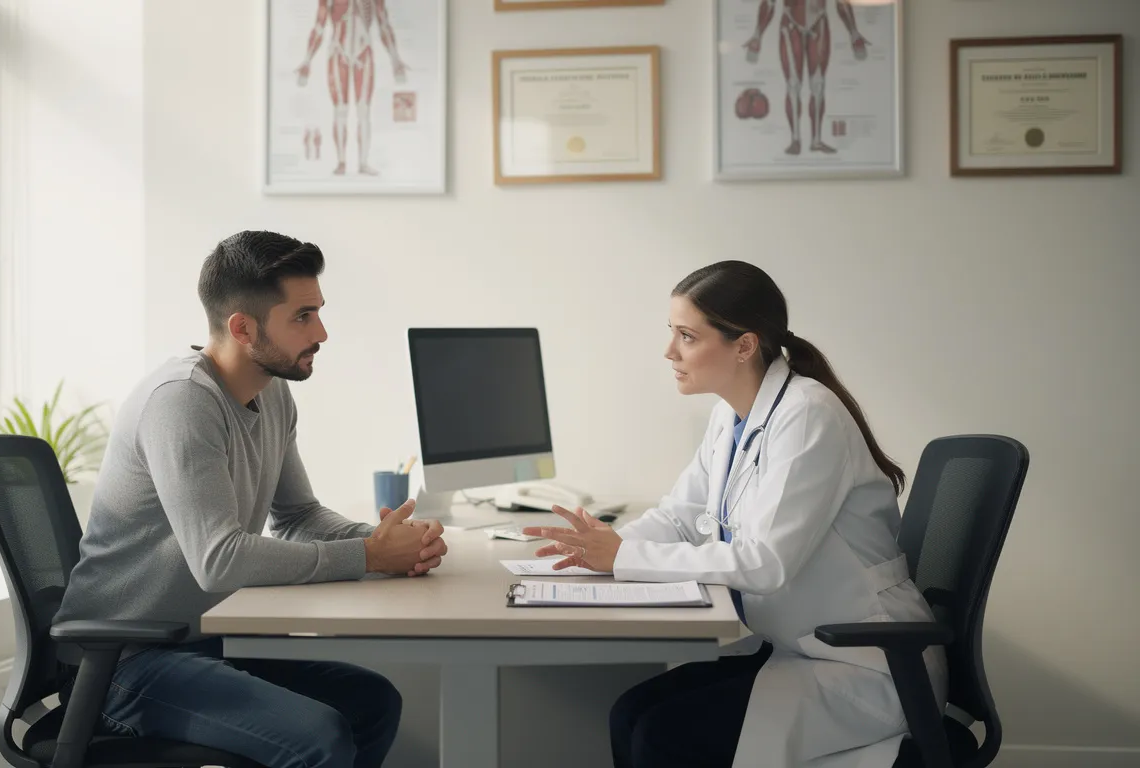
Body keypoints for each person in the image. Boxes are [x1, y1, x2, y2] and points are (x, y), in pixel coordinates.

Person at [523, 261, 947, 768]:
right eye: (672, 332)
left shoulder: (808, 414)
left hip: (867, 664)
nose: (669, 351)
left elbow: (765, 563)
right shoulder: (731, 415)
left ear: (744, 346)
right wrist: (599, 550)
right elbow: (680, 516)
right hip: (801, 648)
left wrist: (622, 558)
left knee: (661, 736)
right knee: (629, 715)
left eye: (687, 336)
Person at [53, 230, 448, 768]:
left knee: (371, 703)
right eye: (303, 317)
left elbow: (298, 516)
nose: (322, 333)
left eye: (318, 313)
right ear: (243, 328)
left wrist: (389, 543)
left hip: (201, 645)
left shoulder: (272, 390)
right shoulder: (181, 402)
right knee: (319, 737)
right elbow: (219, 560)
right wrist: (370, 555)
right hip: (122, 664)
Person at [743, 0, 871, 156]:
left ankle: (816, 141)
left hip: (819, 21)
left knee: (818, 85)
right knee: (793, 85)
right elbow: (769, 2)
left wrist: (854, 33)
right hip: (791, 23)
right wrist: (758, 35)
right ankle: (795, 140)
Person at [297, 0, 409, 176]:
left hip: (364, 51)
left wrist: (395, 59)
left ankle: (363, 163)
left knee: (364, 111)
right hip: (338, 51)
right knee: (340, 110)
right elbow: (319, 25)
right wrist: (307, 60)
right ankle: (341, 162)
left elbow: (383, 24)